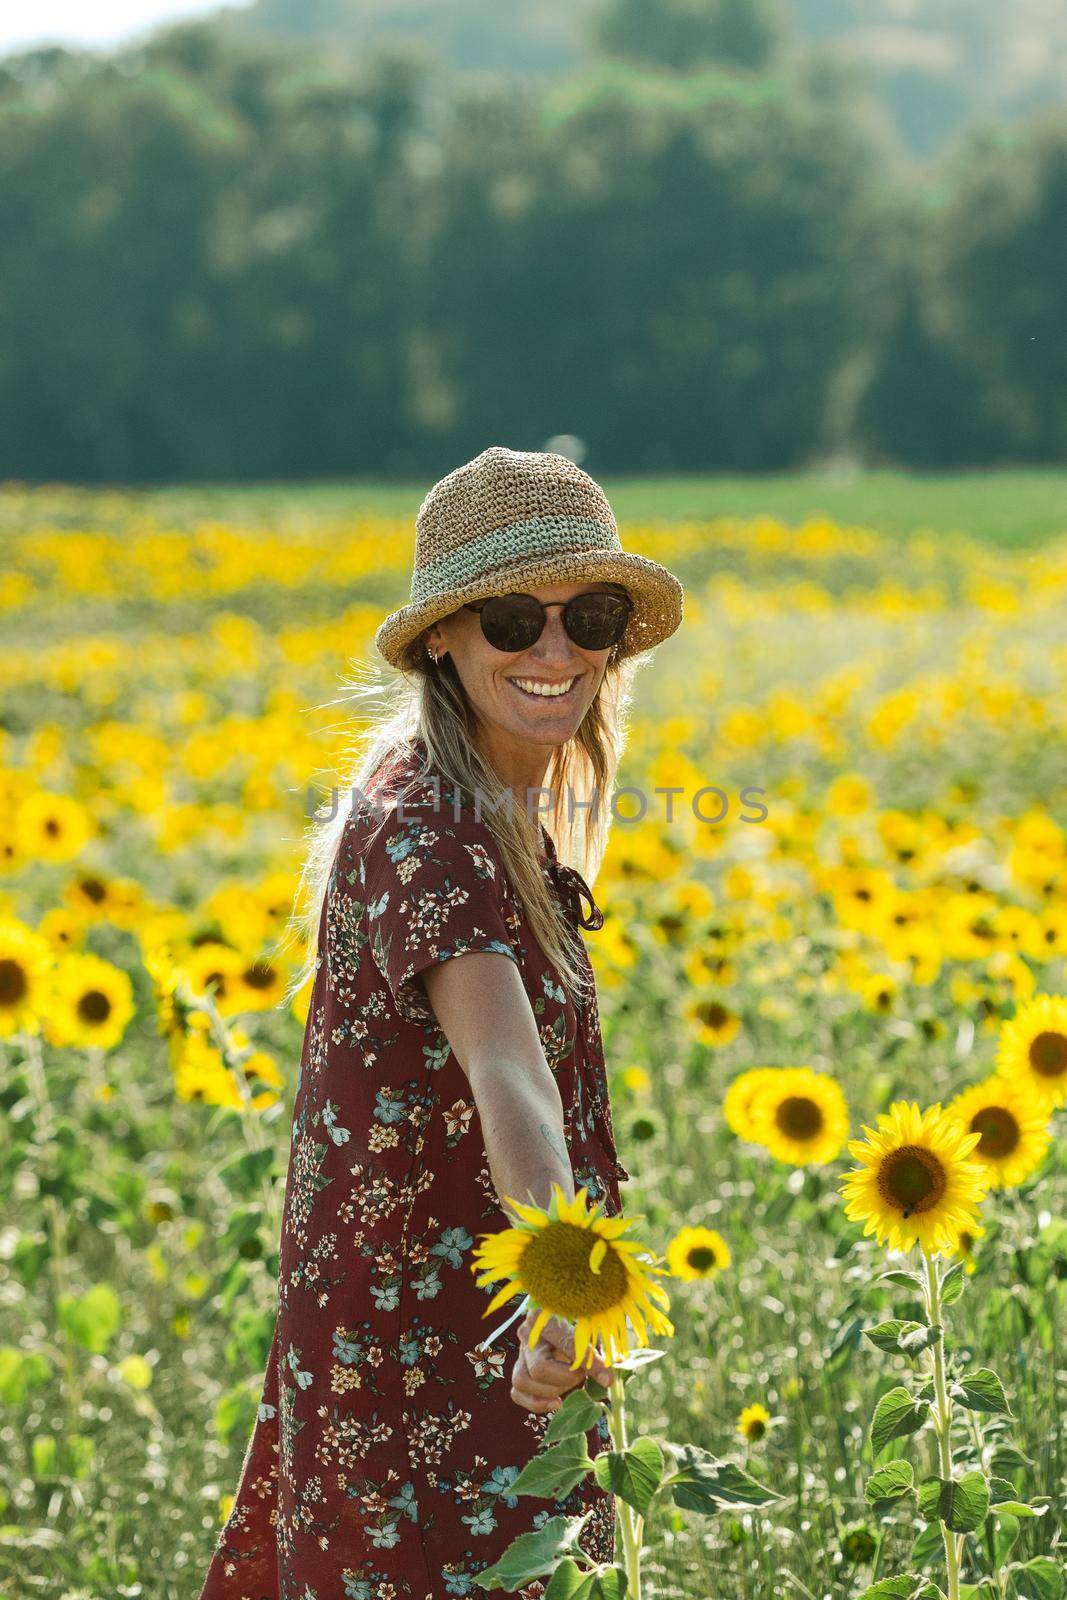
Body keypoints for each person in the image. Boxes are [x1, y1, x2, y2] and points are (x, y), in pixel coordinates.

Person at [196, 446, 684, 1600]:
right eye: (513, 619)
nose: (555, 650)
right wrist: (555, 1281)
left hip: (464, 1320)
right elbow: (508, 1072)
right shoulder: (430, 828)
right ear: (444, 642)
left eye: (590, 614)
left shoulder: (488, 805)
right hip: (434, 1345)